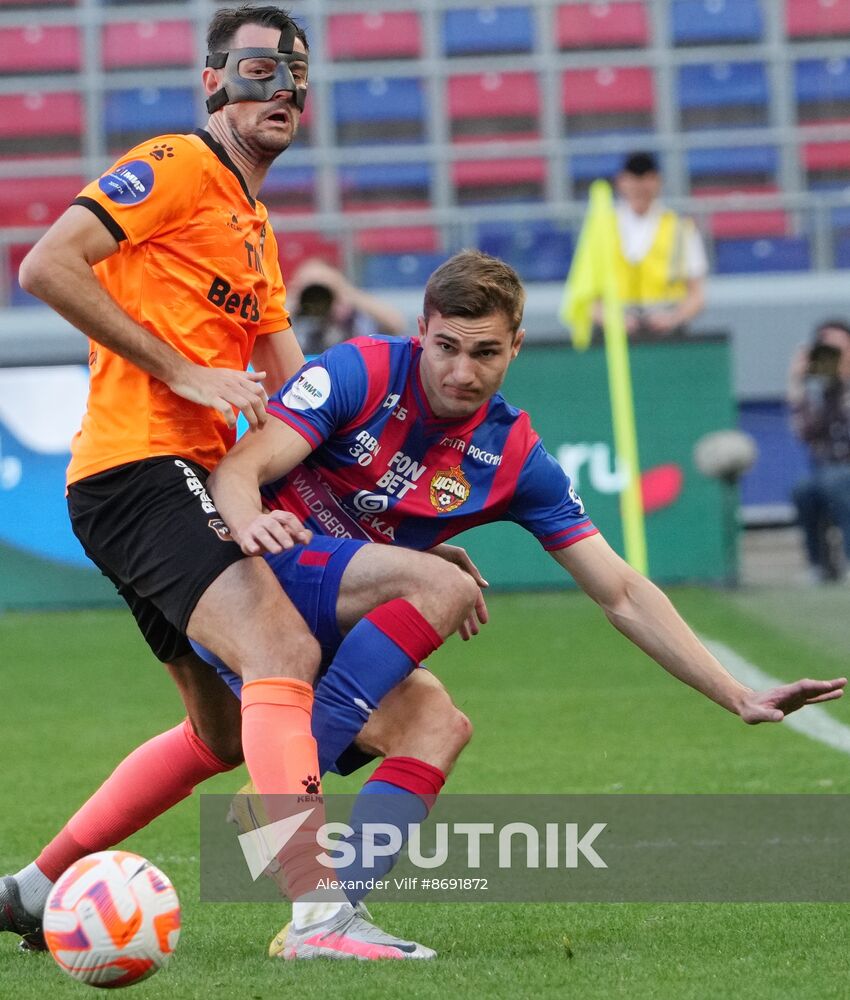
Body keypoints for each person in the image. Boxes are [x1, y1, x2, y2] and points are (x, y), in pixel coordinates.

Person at [4, 251, 843, 960]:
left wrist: (735, 695)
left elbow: (620, 589)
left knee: (428, 725)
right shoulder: (359, 372)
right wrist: (265, 524)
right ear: (422, 334)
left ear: (516, 347)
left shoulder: (515, 455)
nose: (461, 371)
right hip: (260, 570)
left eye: (484, 352)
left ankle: (46, 889)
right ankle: (301, 850)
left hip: (337, 601)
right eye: (446, 347)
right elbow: (236, 471)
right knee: (445, 584)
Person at [2, 3, 418, 959]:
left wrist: (383, 489)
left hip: (164, 480)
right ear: (215, 82)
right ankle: (319, 914)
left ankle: (30, 890)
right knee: (278, 646)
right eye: (260, 69)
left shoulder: (256, 227)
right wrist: (182, 370)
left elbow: (294, 390)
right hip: (141, 464)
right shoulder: (180, 165)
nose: (282, 90)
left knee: (223, 731)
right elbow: (46, 264)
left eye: (296, 75)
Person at [604, 151, 708, 338]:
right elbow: (585, 296)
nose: (640, 186)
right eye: (634, 178)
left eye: (646, 178)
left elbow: (697, 295)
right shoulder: (601, 229)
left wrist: (674, 318)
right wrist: (612, 319)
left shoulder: (681, 229)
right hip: (614, 336)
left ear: (657, 181)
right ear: (621, 181)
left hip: (668, 333)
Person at [788, 319, 850, 582]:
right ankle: (821, 566)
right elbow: (805, 433)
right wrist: (796, 384)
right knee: (805, 489)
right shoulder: (825, 393)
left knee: (835, 483)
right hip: (828, 472)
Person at [288, 256, 406, 354]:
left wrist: (344, 290)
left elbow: (396, 324)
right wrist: (295, 297)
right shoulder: (290, 317)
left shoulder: (351, 318)